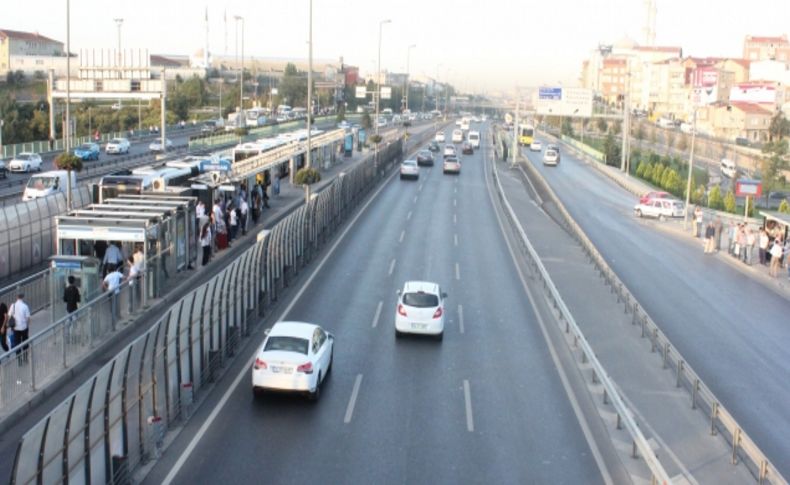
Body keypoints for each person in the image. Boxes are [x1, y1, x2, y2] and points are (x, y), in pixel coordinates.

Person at [9, 294, 31, 360]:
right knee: (25, 342)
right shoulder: (25, 306)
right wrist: (27, 325)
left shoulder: (13, 306)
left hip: (15, 328)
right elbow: (28, 318)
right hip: (24, 327)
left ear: (17, 297)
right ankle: (25, 357)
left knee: (17, 343)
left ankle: (19, 359)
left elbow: (9, 316)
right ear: (22, 298)